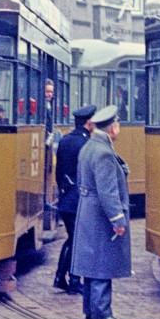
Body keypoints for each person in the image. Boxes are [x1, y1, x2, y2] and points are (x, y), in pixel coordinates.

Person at [71, 105, 131, 319]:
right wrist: (117, 219)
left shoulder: (89, 146)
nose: (119, 129)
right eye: (118, 125)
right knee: (102, 264)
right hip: (101, 215)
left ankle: (91, 309)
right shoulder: (104, 152)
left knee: (91, 264)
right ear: (112, 128)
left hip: (88, 210)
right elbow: (108, 190)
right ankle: (101, 312)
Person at [53, 104, 97, 294]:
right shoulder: (86, 144)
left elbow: (58, 172)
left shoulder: (65, 140)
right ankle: (72, 281)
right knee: (77, 241)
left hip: (66, 199)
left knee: (73, 239)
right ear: (88, 123)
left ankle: (62, 278)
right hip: (79, 201)